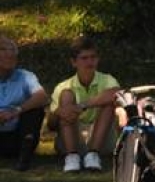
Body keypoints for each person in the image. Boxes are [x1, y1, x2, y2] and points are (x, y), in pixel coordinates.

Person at [47, 36, 121, 172]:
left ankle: (93, 154)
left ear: (98, 59)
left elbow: (116, 93)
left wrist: (82, 105)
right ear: (74, 62)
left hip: (101, 138)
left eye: (93, 57)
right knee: (66, 95)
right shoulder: (62, 86)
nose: (89, 62)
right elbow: (51, 125)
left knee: (110, 101)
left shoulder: (108, 80)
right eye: (84, 58)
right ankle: (72, 156)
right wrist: (60, 112)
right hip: (72, 135)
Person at [0, 36, 49, 171]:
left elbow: (42, 97)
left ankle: (24, 158)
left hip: (17, 136)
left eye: (13, 50)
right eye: (3, 49)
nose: (10, 54)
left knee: (35, 111)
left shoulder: (25, 76)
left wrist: (17, 110)